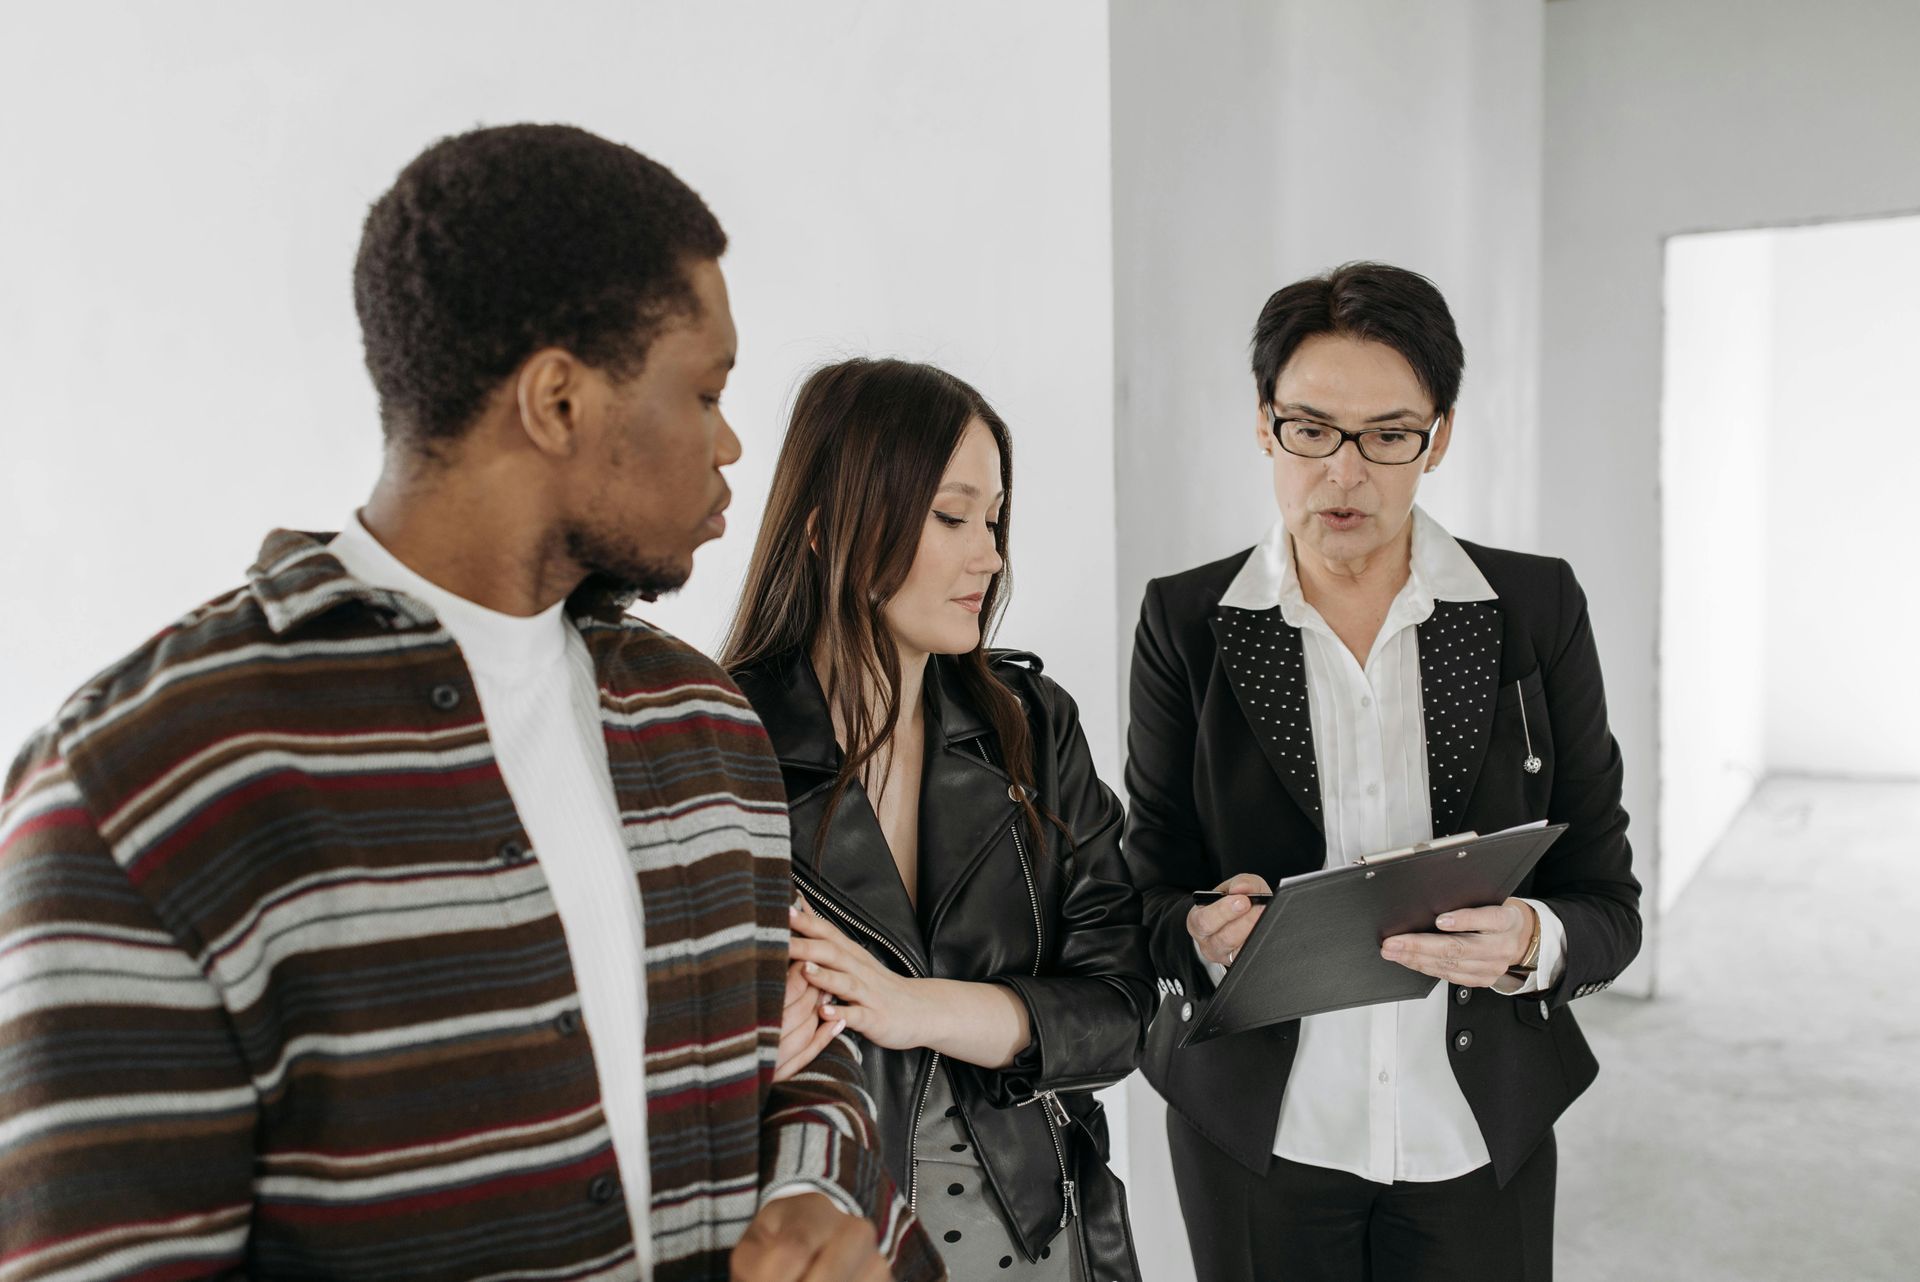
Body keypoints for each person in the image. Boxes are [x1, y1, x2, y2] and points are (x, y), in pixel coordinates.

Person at [0, 124, 939, 1282]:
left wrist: (808, 1188)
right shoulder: (145, 785)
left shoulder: (701, 728)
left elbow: (795, 1064)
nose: (732, 442)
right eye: (705, 392)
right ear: (557, 402)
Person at [1125, 262, 1641, 1281]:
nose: (1343, 474)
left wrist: (1530, 938)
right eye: (1311, 429)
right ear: (1264, 425)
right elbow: (1141, 886)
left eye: (1388, 436)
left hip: (1473, 1128)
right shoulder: (1187, 622)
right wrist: (1193, 925)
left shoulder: (1532, 610)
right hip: (1263, 1136)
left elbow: (1609, 904)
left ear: (1439, 436)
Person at [722, 358, 1154, 1282]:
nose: (989, 554)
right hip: (838, 1243)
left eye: (993, 520)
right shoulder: (717, 743)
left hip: (1045, 1241)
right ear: (825, 524)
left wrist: (912, 1007)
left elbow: (1122, 1010)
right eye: (952, 517)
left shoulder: (1034, 728)